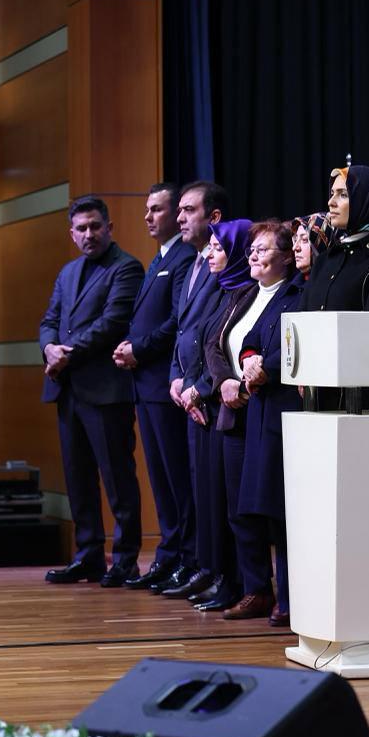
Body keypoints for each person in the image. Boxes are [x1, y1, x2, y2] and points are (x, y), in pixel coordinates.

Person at [40, 196, 144, 587]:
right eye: (81, 228)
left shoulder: (127, 267)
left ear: (109, 228)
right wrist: (49, 348)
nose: (89, 234)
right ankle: (88, 556)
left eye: (95, 226)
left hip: (106, 390)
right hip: (68, 389)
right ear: (71, 233)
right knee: (78, 479)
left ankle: (126, 560)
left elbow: (112, 322)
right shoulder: (67, 272)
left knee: (117, 479)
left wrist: (66, 354)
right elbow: (49, 320)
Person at [110, 183, 198, 591]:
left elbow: (177, 320)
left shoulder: (184, 257)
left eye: (157, 209)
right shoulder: (160, 257)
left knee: (177, 479)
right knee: (160, 481)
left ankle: (186, 557)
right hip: (144, 385)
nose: (148, 216)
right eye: (147, 209)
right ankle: (168, 554)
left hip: (165, 383)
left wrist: (138, 349)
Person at [159, 181, 238, 598]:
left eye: (188, 210)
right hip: (189, 391)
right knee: (198, 489)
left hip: (208, 395)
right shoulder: (193, 262)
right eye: (180, 210)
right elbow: (183, 330)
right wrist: (176, 376)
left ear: (215, 217)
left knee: (217, 494)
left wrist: (197, 386)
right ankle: (206, 568)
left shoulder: (228, 262)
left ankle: (223, 573)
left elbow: (216, 335)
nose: (180, 218)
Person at [175, 218, 255, 611]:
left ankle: (237, 582)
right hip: (206, 403)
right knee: (210, 499)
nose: (210, 254)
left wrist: (202, 388)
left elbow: (228, 352)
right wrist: (190, 386)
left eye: (219, 248)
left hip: (227, 406)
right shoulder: (225, 292)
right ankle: (219, 575)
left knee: (230, 504)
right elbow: (204, 344)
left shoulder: (248, 293)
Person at [230, 221, 305, 627]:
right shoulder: (273, 298)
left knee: (286, 511)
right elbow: (252, 338)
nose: (254, 256)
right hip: (264, 409)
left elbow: (299, 345)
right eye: (252, 250)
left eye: (264, 249)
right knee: (268, 511)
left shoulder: (302, 292)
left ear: (288, 257)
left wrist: (265, 367)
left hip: (286, 408)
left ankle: (292, 600)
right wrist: (249, 360)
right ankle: (279, 596)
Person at [302, 165, 369, 412]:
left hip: (367, 399)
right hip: (317, 393)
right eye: (332, 194)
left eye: (343, 195)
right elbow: (304, 315)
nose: (331, 202)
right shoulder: (328, 258)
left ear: (368, 200)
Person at [293, 212, 331, 279]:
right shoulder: (293, 284)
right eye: (295, 240)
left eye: (304, 239)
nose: (295, 248)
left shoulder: (336, 283)